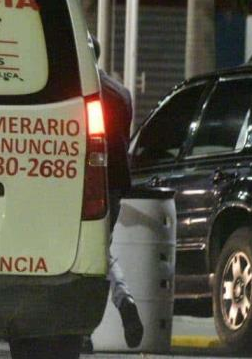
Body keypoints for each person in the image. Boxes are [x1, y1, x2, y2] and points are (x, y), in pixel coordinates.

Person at [92, 36, 144, 349]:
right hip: (114, 183)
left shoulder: (81, 90)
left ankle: (81, 329)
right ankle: (124, 301)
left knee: (87, 256)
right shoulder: (121, 93)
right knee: (100, 251)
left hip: (86, 180)